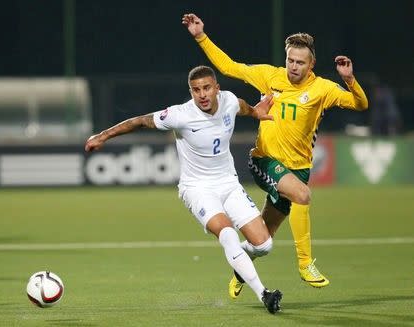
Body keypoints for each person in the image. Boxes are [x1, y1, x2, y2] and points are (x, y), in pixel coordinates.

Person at [182, 14, 369, 294]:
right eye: (290, 60)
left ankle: (240, 270)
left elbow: (360, 104)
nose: (293, 67)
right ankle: (306, 264)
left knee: (263, 239)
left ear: (311, 64)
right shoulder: (270, 76)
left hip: (298, 168)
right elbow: (229, 66)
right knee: (303, 195)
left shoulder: (322, 89)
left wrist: (350, 80)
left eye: (300, 62)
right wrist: (200, 36)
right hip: (265, 161)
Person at [85, 65, 283, 314]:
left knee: (263, 246)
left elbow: (241, 106)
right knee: (228, 234)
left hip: (229, 183)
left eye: (207, 88)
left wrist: (255, 112)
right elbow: (139, 122)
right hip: (197, 189)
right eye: (196, 90)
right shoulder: (180, 115)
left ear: (217, 89)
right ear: (190, 92)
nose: (202, 94)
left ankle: (239, 262)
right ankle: (264, 294)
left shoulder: (229, 101)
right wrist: (102, 136)